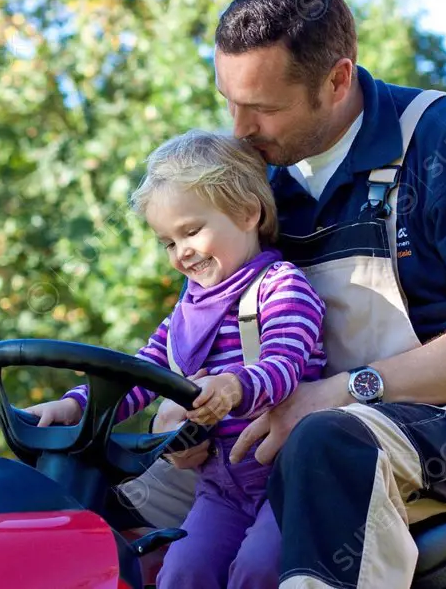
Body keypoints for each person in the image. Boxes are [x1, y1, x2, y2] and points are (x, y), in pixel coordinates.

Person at [116, 0, 446, 588]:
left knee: (326, 446)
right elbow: (199, 340)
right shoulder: (252, 181)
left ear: (337, 79)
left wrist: (337, 393)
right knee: (79, 487)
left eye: (262, 108)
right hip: (267, 442)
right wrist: (176, 422)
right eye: (231, 101)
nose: (239, 130)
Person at [24, 129, 328, 589]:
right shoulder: (185, 314)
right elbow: (138, 375)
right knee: (181, 572)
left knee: (258, 570)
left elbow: (285, 365)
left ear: (248, 213)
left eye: (191, 231)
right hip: (220, 491)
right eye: (167, 242)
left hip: (285, 480)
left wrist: (235, 385)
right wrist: (75, 406)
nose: (181, 252)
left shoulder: (280, 287)